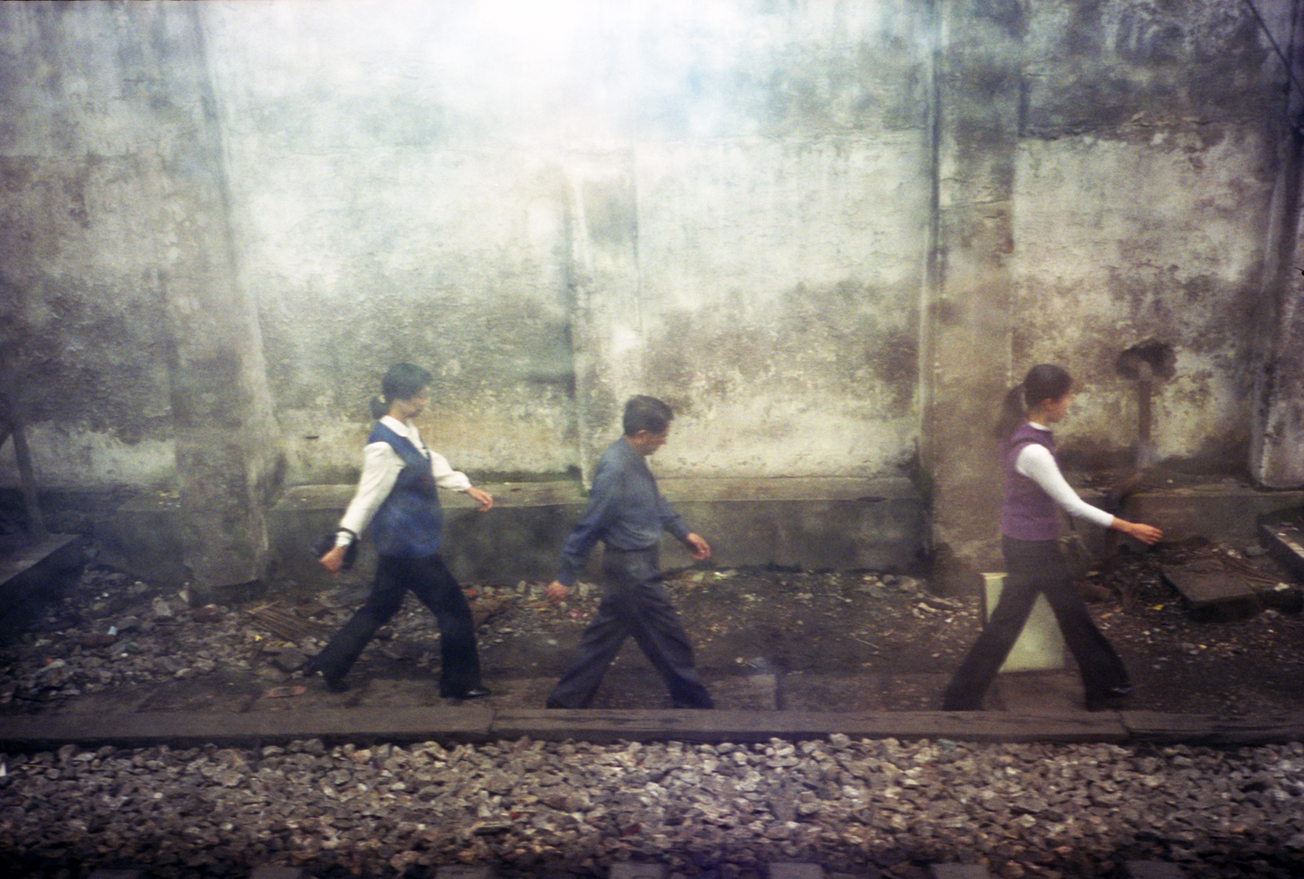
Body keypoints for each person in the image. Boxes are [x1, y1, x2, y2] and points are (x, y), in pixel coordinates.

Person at [941, 364, 1164, 712]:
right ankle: (1105, 686)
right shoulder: (1034, 451)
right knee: (1058, 617)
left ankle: (963, 696)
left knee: (1056, 616)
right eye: (1066, 397)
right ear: (1048, 402)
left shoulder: (1020, 430)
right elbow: (1071, 505)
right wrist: (1128, 527)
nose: (1069, 404)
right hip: (1032, 548)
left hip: (1024, 541)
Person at [307, 362, 494, 701]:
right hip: (410, 547)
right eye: (420, 397)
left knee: (380, 607)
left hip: (402, 544)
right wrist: (342, 543)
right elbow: (367, 498)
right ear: (403, 399)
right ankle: (459, 683)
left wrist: (465, 487)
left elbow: (428, 459)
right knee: (454, 609)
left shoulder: (405, 430)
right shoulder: (383, 445)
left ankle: (331, 663)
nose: (424, 403)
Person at [544, 395, 714, 710]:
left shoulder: (633, 459)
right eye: (661, 436)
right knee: (669, 640)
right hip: (632, 570)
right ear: (641, 435)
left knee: (603, 640)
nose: (663, 443)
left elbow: (652, 500)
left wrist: (683, 532)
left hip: (634, 565)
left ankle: (564, 705)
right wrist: (567, 575)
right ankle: (696, 709)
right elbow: (591, 524)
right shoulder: (615, 467)